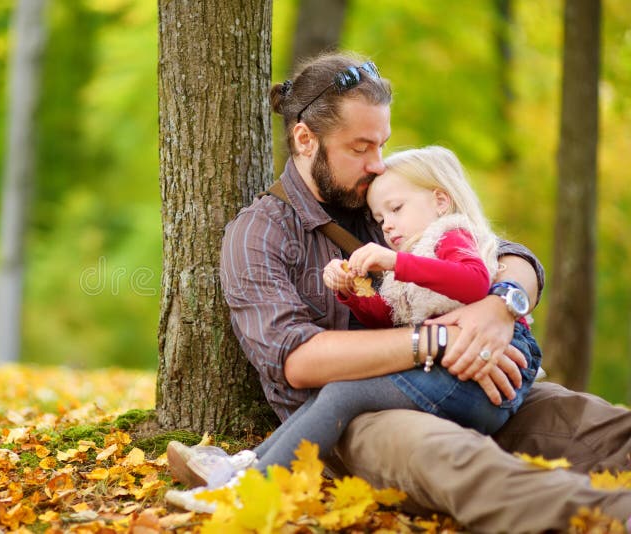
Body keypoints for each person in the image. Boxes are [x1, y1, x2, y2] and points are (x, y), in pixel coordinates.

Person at [167, 51, 631, 531]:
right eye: (360, 148)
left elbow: (506, 253)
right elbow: (297, 361)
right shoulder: (260, 233)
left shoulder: (384, 192)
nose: (377, 164)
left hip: (476, 377)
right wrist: (439, 341)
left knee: (602, 426)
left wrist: (499, 306)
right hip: (358, 420)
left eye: (382, 145)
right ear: (305, 140)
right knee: (463, 464)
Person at [167, 145, 544, 513]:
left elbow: (474, 283)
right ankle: (248, 466)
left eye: (396, 210)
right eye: (381, 219)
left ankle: (249, 491)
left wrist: (396, 262)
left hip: (485, 377)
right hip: (454, 372)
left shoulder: (450, 235)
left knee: (344, 393)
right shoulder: (413, 251)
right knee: (337, 391)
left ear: (441, 201)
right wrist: (353, 295)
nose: (388, 225)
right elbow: (386, 319)